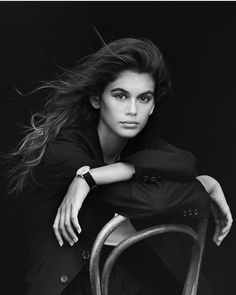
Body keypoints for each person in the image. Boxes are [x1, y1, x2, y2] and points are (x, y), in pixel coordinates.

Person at [8, 38, 232, 295]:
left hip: (138, 274)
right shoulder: (62, 152)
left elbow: (185, 163)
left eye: (144, 98)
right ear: (96, 98)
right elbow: (154, 202)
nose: (133, 110)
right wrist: (205, 186)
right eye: (120, 95)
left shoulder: (145, 144)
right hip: (78, 283)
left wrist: (96, 177)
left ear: (152, 106)